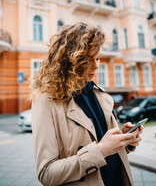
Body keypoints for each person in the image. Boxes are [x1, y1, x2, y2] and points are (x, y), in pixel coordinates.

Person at [31, 22, 143, 186]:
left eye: (98, 58)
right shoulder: (46, 100)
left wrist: (124, 141)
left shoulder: (98, 93)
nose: (97, 65)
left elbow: (106, 147)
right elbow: (47, 174)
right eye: (89, 59)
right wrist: (100, 150)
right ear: (70, 59)